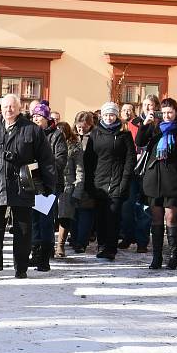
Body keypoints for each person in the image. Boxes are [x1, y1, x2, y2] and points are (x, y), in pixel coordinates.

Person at [0, 93, 56, 280]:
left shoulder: (32, 130)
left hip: (22, 185)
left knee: (23, 228)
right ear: (0, 108)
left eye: (12, 106)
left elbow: (46, 159)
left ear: (19, 108)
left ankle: (21, 268)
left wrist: (49, 185)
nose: (8, 110)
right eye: (5, 106)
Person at [135, 97, 177, 269]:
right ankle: (157, 257)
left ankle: (173, 255)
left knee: (171, 217)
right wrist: (145, 124)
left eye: (170, 112)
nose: (167, 115)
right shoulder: (154, 127)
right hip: (154, 178)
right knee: (156, 217)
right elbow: (139, 142)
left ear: (176, 112)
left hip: (174, 178)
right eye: (165, 112)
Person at [83, 102, 135, 261]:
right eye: (106, 115)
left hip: (117, 180)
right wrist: (89, 183)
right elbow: (89, 160)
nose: (109, 117)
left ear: (116, 115)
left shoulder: (124, 134)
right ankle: (102, 245)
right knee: (100, 217)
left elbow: (130, 159)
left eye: (112, 114)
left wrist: (124, 182)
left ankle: (111, 248)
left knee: (113, 216)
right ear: (101, 116)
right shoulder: (95, 133)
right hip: (99, 181)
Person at [29, 102, 67, 271]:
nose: (36, 119)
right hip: (31, 183)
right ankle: (35, 254)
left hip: (48, 184)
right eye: (34, 116)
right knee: (33, 221)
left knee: (44, 220)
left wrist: (43, 169)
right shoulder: (30, 134)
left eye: (39, 116)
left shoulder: (56, 135)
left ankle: (44, 256)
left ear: (46, 118)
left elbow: (60, 160)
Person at [120, 96, 158, 253]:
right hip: (134, 169)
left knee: (145, 208)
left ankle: (142, 241)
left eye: (151, 105)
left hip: (150, 170)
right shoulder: (133, 123)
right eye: (145, 105)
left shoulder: (160, 124)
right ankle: (128, 236)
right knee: (127, 206)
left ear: (156, 106)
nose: (148, 107)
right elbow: (134, 143)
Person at [55, 121, 83, 258]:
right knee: (47, 217)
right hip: (50, 185)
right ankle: (45, 245)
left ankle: (60, 245)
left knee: (65, 217)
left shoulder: (74, 148)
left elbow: (80, 170)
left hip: (67, 186)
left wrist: (77, 190)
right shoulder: (49, 145)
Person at [71, 111, 97, 253]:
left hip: (89, 180)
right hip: (73, 179)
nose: (81, 129)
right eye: (79, 127)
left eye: (84, 127)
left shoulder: (94, 136)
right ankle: (74, 239)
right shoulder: (71, 137)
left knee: (85, 211)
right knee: (73, 211)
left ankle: (82, 242)